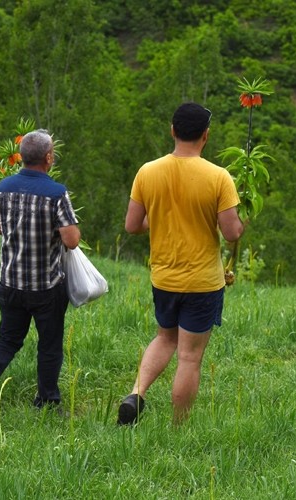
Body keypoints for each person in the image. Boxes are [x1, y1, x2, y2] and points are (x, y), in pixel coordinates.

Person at [118, 103, 245, 426]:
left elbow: (133, 225)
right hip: (202, 281)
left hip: (164, 277)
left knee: (165, 337)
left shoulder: (147, 171)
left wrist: (157, 220)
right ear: (206, 135)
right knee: (189, 356)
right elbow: (231, 232)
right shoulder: (219, 177)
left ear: (172, 131)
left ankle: (137, 392)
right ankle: (178, 428)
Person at [0, 129, 80, 416]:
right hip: (45, 286)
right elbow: (71, 240)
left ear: (20, 157)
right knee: (50, 344)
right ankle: (47, 401)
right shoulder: (57, 193)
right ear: (48, 158)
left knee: (8, 338)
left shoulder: (3, 187)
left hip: (10, 282)